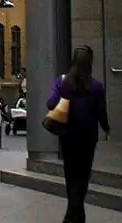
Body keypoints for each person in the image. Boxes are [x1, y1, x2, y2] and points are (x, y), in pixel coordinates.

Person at [46, 45, 109, 223]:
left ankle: (75, 215)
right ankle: (73, 216)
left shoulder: (63, 82)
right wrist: (106, 127)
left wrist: (64, 100)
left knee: (71, 174)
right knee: (83, 175)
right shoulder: (96, 86)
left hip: (67, 136)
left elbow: (50, 103)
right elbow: (101, 111)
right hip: (88, 137)